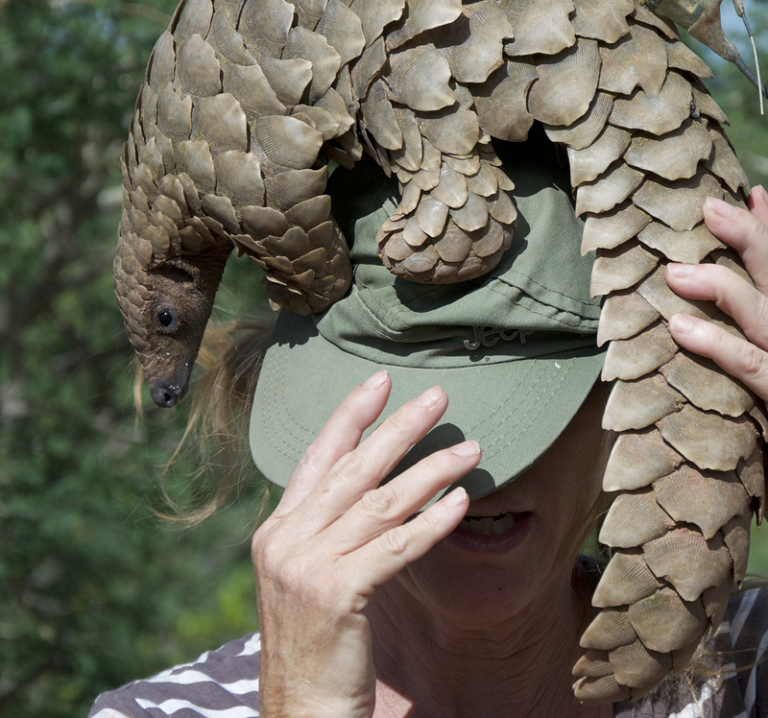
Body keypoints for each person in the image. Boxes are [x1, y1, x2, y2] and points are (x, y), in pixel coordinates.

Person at [89, 131, 768, 718]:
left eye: (536, 397)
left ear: (626, 401)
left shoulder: (748, 663)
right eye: (414, 408)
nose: (478, 463)